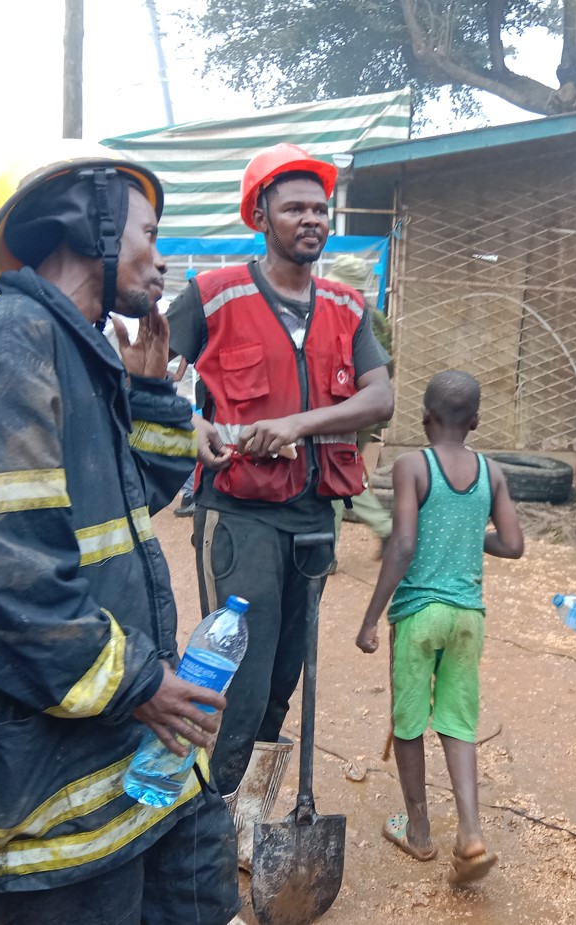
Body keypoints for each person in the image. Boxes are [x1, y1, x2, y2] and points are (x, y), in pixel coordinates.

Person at [0, 143, 240, 925]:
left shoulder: (80, 350)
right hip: (54, 782)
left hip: (131, 762)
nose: (162, 256)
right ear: (91, 222)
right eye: (148, 230)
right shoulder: (15, 333)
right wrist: (139, 680)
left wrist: (150, 395)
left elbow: (118, 508)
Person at [165, 142, 393, 809]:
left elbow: (379, 399)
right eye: (295, 207)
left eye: (320, 208)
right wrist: (189, 426)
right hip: (237, 514)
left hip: (312, 516)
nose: (312, 219)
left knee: (285, 674)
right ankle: (203, 814)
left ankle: (246, 812)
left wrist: (299, 424)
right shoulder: (212, 295)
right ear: (261, 215)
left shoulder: (349, 307)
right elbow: (144, 381)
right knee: (237, 674)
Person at [355, 370, 523, 884]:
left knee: (408, 723)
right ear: (474, 422)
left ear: (424, 417)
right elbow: (514, 544)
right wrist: (473, 538)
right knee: (457, 722)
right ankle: (471, 834)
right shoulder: (491, 471)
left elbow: (402, 544)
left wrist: (370, 618)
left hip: (419, 615)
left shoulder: (412, 465)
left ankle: (420, 831)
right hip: (468, 618)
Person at [327, 253, 394, 558]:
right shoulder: (378, 318)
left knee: (334, 476)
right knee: (346, 472)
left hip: (349, 410)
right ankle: (385, 527)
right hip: (368, 411)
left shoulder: (346, 316)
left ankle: (327, 554)